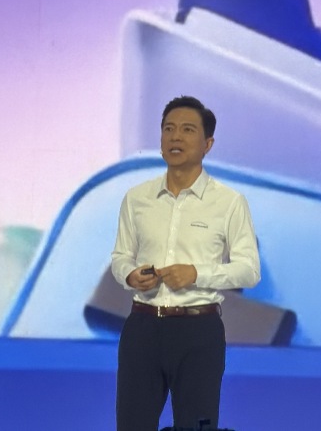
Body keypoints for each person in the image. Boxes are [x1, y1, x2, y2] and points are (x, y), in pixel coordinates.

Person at [111, 95, 261, 430]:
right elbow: (120, 257)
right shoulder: (136, 198)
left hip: (198, 331)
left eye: (187, 130)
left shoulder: (229, 202)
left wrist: (196, 274)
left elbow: (249, 270)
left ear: (208, 144)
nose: (175, 136)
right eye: (168, 129)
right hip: (142, 328)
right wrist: (131, 276)